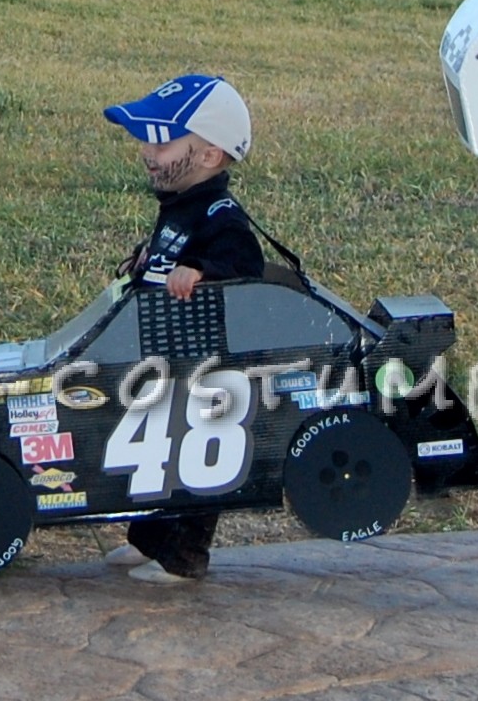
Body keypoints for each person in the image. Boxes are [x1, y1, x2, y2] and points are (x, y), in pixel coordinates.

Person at [94, 74, 295, 583]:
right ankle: (149, 541)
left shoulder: (219, 215)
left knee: (196, 465)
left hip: (207, 369)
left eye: (162, 141)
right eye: (146, 140)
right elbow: (172, 253)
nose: (147, 152)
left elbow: (243, 267)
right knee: (160, 458)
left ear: (208, 156)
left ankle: (184, 559)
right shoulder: (181, 208)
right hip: (169, 361)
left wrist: (202, 273)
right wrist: (149, 259)